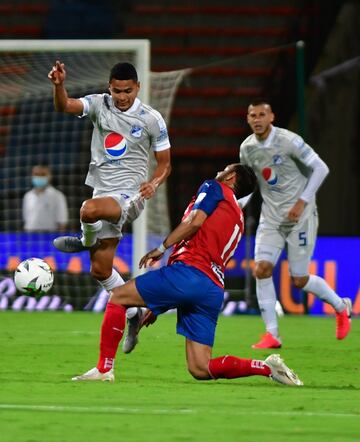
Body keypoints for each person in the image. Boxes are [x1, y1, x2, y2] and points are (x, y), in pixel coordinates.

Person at [72, 163, 303, 387]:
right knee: (201, 368)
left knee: (118, 297)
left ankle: (103, 369)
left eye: (225, 169)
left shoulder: (214, 187)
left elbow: (195, 221)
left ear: (231, 177)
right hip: (212, 289)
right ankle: (266, 368)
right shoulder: (238, 220)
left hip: (190, 273)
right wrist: (157, 305)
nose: (219, 171)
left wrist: (161, 248)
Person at [47, 61, 171, 300]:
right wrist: (59, 85)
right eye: (117, 91)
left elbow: (165, 164)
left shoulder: (151, 119)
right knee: (100, 269)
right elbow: (64, 105)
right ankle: (134, 310)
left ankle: (85, 239)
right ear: (109, 88)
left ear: (138, 87)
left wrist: (153, 183)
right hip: (102, 190)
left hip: (130, 195)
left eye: (128, 91)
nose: (122, 97)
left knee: (88, 210)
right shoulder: (99, 104)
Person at [239, 99, 352, 349]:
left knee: (299, 279)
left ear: (271, 117)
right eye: (252, 115)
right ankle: (272, 334)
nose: (257, 119)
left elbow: (321, 168)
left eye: (261, 115)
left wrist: (301, 202)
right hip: (271, 218)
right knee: (262, 269)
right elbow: (251, 183)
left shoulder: (288, 141)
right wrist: (238, 206)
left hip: (300, 217)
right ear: (248, 119)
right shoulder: (247, 148)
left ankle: (340, 306)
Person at [22, 164, 69, 232]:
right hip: (30, 234)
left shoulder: (57, 196)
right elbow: (26, 220)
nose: (39, 177)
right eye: (36, 174)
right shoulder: (28, 196)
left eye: (43, 174)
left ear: (50, 176)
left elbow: (62, 222)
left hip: (49, 235)